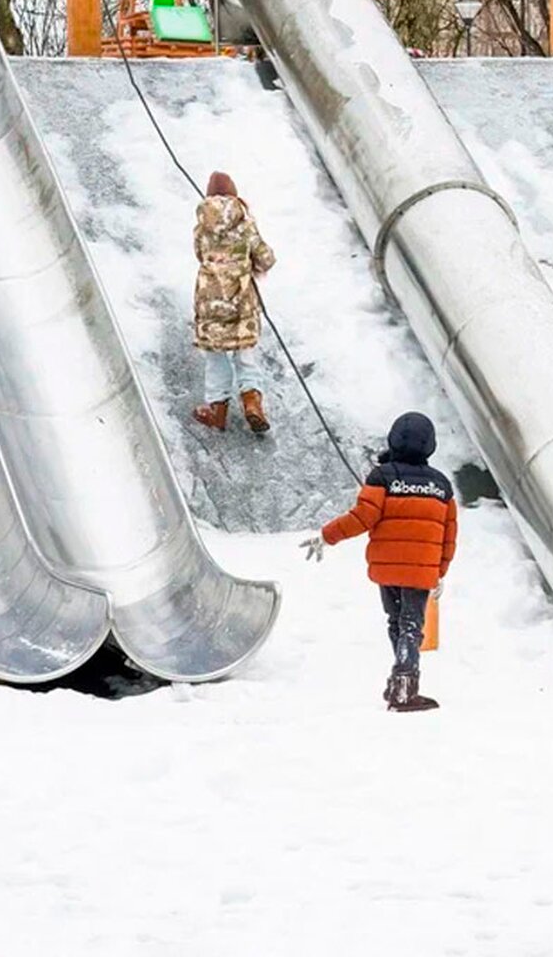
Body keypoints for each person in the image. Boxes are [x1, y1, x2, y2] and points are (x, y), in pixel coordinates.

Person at [300, 412, 458, 712]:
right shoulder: (441, 486)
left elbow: (362, 518)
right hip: (421, 569)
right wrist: (440, 571)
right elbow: (449, 535)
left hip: (387, 567)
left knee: (396, 621)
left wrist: (326, 535)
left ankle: (399, 679)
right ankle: (404, 686)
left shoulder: (383, 476)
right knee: (412, 625)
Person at [191, 171, 276, 433]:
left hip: (210, 301)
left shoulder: (202, 227)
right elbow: (266, 258)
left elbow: (199, 254)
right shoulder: (245, 225)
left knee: (216, 357)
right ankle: (252, 403)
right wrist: (249, 264)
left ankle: (217, 411)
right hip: (241, 302)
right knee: (245, 353)